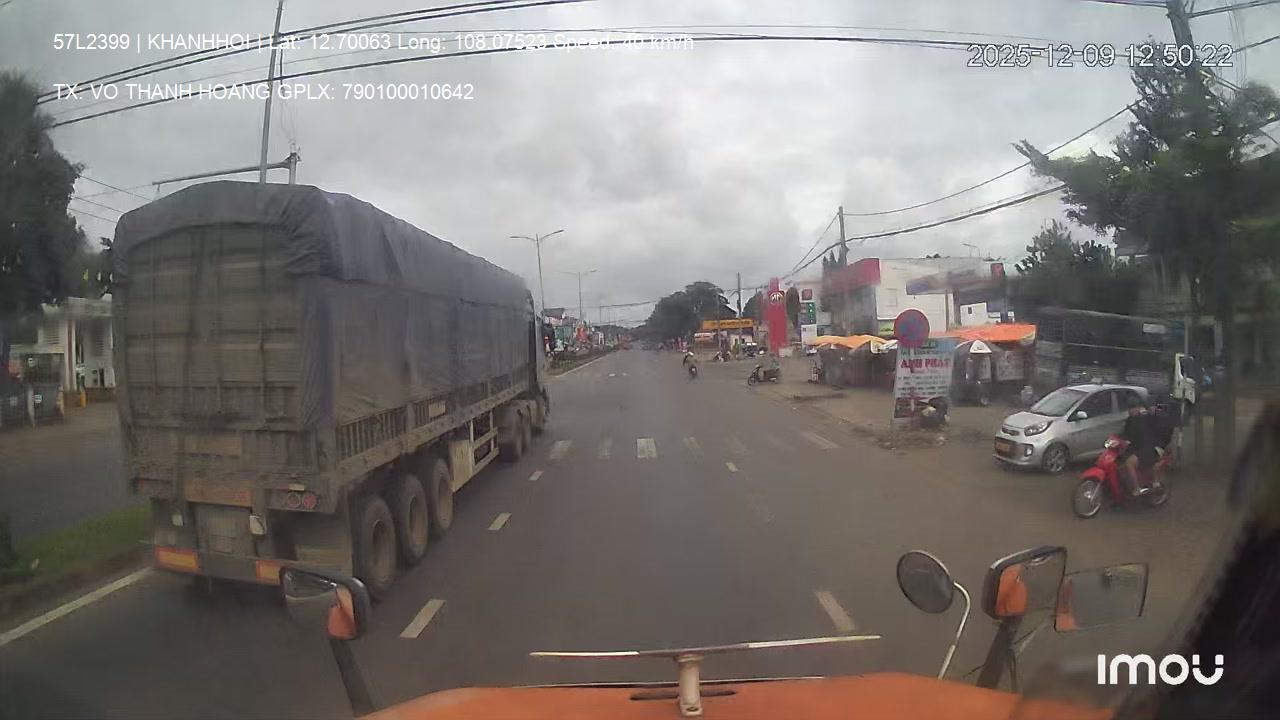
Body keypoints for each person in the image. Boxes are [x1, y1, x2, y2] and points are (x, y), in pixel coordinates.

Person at [1120, 394, 1159, 498]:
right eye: (1129, 408)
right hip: (1135, 448)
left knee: (1129, 463)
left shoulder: (1145, 418)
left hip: (1146, 449)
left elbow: (1162, 413)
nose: (1130, 411)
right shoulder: (1130, 420)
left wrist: (1153, 409)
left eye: (1133, 408)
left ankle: (1137, 488)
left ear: (1138, 408)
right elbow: (1125, 434)